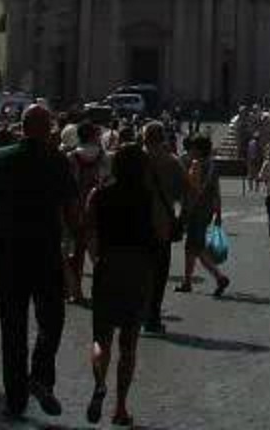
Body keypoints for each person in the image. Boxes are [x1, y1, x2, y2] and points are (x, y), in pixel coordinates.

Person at [0, 101, 79, 422]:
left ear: (21, 126)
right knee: (52, 320)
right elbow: (71, 209)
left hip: (7, 252)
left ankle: (15, 400)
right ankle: (41, 376)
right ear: (49, 128)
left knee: (13, 327)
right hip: (45, 253)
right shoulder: (58, 161)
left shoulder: (1, 158)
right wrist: (77, 244)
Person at [86, 144, 156, 426]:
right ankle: (121, 408)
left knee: (100, 338)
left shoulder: (99, 195)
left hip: (108, 265)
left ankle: (100, 382)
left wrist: (97, 260)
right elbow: (161, 232)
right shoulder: (148, 197)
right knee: (129, 343)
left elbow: (89, 233)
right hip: (138, 268)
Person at [139, 121, 185, 334]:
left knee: (138, 269)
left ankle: (138, 313)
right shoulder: (172, 162)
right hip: (161, 224)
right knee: (159, 273)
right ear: (163, 138)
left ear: (144, 137)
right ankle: (152, 317)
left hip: (134, 224)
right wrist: (181, 218)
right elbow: (187, 194)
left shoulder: (132, 159)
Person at [177, 132, 229, 297]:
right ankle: (188, 280)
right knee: (194, 247)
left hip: (195, 210)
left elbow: (193, 190)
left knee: (195, 247)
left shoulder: (196, 164)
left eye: (192, 147)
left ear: (198, 149)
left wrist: (185, 212)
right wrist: (218, 213)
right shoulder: (212, 165)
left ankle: (218, 276)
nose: (190, 150)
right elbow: (216, 192)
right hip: (207, 210)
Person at [66, 122, 111, 306]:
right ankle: (104, 291)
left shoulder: (71, 157)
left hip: (76, 210)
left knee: (75, 254)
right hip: (97, 210)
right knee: (98, 255)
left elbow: (68, 186)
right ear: (93, 136)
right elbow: (107, 183)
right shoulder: (104, 157)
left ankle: (76, 292)